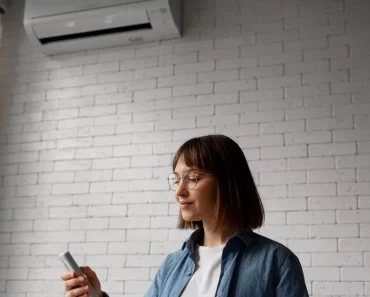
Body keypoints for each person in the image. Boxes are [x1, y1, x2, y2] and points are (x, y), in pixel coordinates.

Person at [61, 134, 309, 297]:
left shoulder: (277, 262)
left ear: (227, 181)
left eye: (192, 178)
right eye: (176, 179)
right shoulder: (172, 265)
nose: (179, 191)